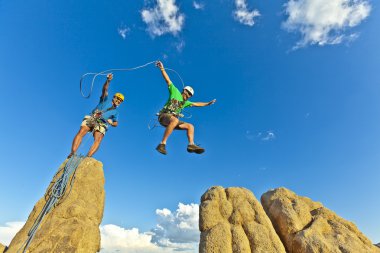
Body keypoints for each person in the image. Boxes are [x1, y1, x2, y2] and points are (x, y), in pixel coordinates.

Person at [155, 61, 216, 155]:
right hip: (163, 116)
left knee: (190, 126)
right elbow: (167, 80)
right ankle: (162, 144)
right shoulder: (175, 91)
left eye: (190, 95)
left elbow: (197, 104)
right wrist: (162, 68)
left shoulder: (186, 103)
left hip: (172, 120)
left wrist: (207, 104)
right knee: (175, 120)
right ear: (184, 90)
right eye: (187, 93)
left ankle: (191, 144)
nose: (188, 96)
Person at [69, 73, 124, 157]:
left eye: (120, 100)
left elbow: (116, 123)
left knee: (98, 138)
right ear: (114, 97)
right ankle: (72, 153)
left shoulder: (116, 112)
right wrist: (108, 81)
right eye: (117, 98)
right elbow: (104, 90)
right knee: (82, 130)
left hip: (102, 123)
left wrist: (112, 123)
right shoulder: (105, 100)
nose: (118, 100)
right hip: (93, 117)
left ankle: (88, 157)